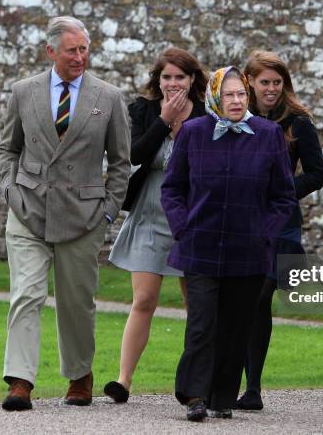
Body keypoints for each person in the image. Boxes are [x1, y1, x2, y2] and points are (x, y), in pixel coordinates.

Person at [0, 16, 131, 411]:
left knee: (77, 302)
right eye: (71, 50)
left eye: (84, 49)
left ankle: (79, 376)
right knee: (27, 293)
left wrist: (108, 211)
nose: (79, 57)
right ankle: (20, 381)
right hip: (27, 208)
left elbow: (121, 162)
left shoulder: (108, 97)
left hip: (83, 216)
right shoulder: (23, 92)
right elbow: (9, 148)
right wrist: (10, 188)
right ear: (51, 51)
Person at [161, 66, 296, 421]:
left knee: (236, 327)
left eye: (241, 95)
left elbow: (283, 196)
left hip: (248, 250)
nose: (236, 101)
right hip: (200, 245)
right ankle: (194, 394)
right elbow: (172, 188)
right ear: (214, 98)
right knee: (202, 323)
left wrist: (265, 232)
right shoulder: (193, 132)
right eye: (229, 95)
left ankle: (222, 396)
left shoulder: (268, 135)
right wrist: (182, 227)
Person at [103, 48, 208, 403]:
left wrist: (182, 127)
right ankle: (124, 380)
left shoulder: (208, 115)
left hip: (194, 217)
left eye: (180, 77)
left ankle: (198, 382)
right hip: (151, 212)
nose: (173, 83)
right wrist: (163, 120)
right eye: (167, 77)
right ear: (157, 80)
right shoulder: (143, 110)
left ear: (193, 80)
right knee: (144, 299)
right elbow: (134, 155)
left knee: (197, 303)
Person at [236, 50, 323, 410]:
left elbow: (318, 173)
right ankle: (234, 382)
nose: (271, 89)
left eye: (277, 82)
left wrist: (279, 190)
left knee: (259, 300)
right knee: (240, 302)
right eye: (265, 82)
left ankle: (253, 387)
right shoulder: (234, 117)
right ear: (249, 83)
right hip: (239, 223)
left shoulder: (298, 122)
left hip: (278, 225)